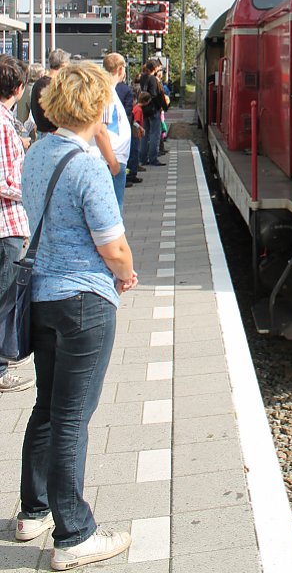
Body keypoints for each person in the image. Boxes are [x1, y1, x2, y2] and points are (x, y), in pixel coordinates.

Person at [16, 62, 135, 568]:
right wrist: (126, 274)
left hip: (40, 295)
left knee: (47, 406)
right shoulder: (87, 164)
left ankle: (33, 511)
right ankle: (75, 535)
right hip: (83, 302)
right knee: (72, 418)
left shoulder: (37, 153)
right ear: (99, 105)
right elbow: (113, 244)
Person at [0, 55, 34, 393]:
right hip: (5, 225)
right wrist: (28, 187)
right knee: (4, 297)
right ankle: (0, 369)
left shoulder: (7, 121)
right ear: (20, 88)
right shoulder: (2, 123)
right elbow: (2, 179)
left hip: (8, 224)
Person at [101, 54, 132, 210]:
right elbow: (101, 130)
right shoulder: (106, 93)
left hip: (113, 159)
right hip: (111, 160)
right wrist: (113, 163)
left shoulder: (110, 91)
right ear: (120, 70)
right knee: (113, 209)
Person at [30, 49, 71, 138]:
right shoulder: (56, 85)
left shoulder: (38, 84)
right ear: (63, 64)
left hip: (41, 132)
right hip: (55, 134)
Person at [139, 60, 165, 167]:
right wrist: (160, 106)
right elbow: (154, 95)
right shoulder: (153, 79)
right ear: (154, 69)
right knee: (155, 133)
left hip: (144, 109)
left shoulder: (142, 78)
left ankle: (143, 158)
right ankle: (153, 158)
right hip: (153, 110)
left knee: (145, 134)